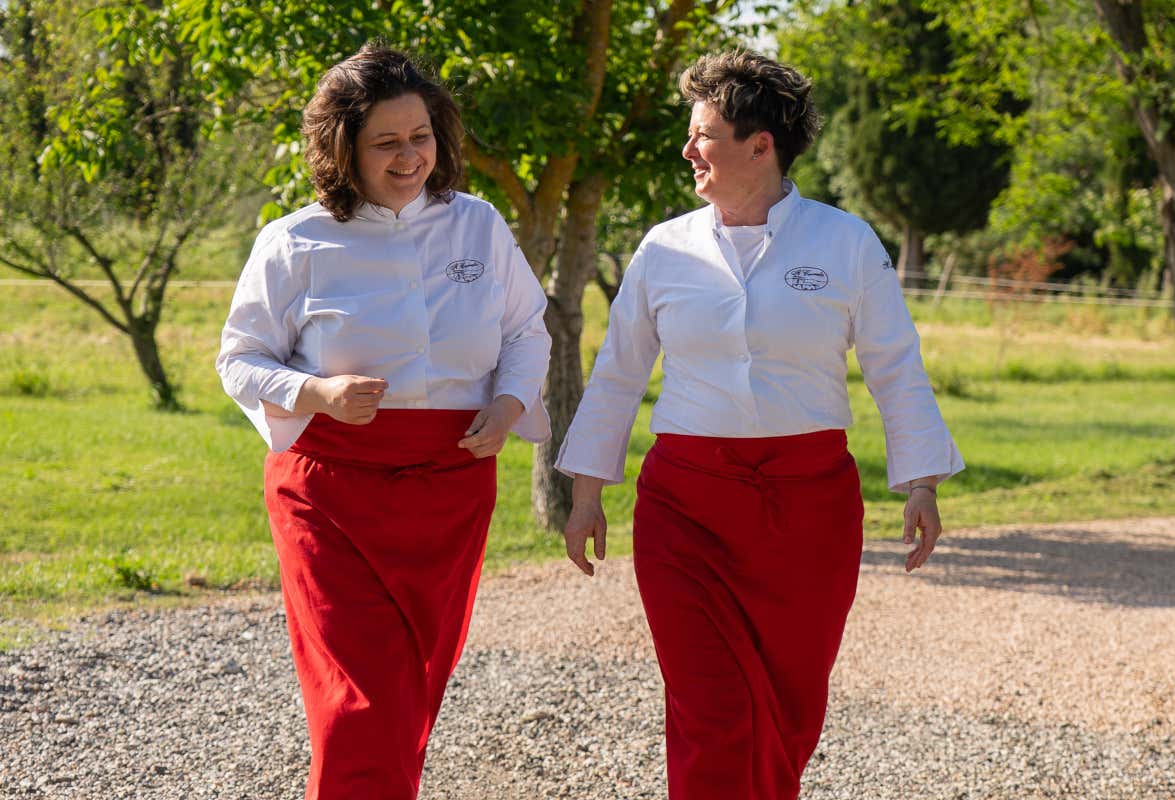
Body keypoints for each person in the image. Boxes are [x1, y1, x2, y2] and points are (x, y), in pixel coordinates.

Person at [555, 50, 964, 799]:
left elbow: (895, 366)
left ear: (759, 145)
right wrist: (585, 494)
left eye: (702, 135)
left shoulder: (845, 243)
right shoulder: (662, 249)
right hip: (685, 511)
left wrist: (921, 482)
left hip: (808, 513)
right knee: (711, 707)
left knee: (789, 707)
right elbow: (617, 375)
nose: (687, 151)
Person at [215, 44, 551, 800]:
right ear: (344, 149)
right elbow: (239, 360)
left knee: (411, 693)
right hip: (330, 491)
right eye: (387, 142)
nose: (411, 156)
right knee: (359, 704)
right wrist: (317, 394)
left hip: (451, 485)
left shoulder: (480, 227)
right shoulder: (294, 240)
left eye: (422, 135)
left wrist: (508, 402)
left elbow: (527, 330)